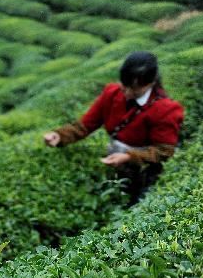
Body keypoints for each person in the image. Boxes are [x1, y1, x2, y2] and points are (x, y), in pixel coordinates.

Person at [43, 52, 183, 204]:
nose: (128, 94)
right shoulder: (111, 93)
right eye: (125, 87)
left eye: (135, 90)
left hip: (144, 171)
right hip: (117, 161)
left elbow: (164, 151)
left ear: (150, 84)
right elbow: (86, 125)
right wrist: (59, 136)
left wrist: (129, 157)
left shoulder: (166, 109)